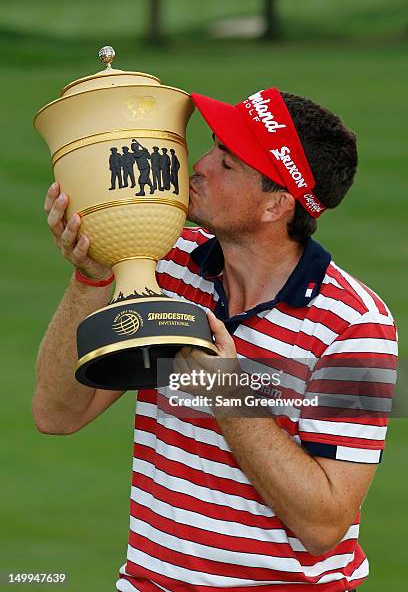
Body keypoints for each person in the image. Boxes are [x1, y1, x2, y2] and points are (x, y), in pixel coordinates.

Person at [34, 87, 397, 591]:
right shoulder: (166, 263)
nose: (198, 165)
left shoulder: (357, 327)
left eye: (226, 163)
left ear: (277, 204)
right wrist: (92, 280)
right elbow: (57, 414)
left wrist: (226, 395)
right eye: (210, 146)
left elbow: (324, 525)